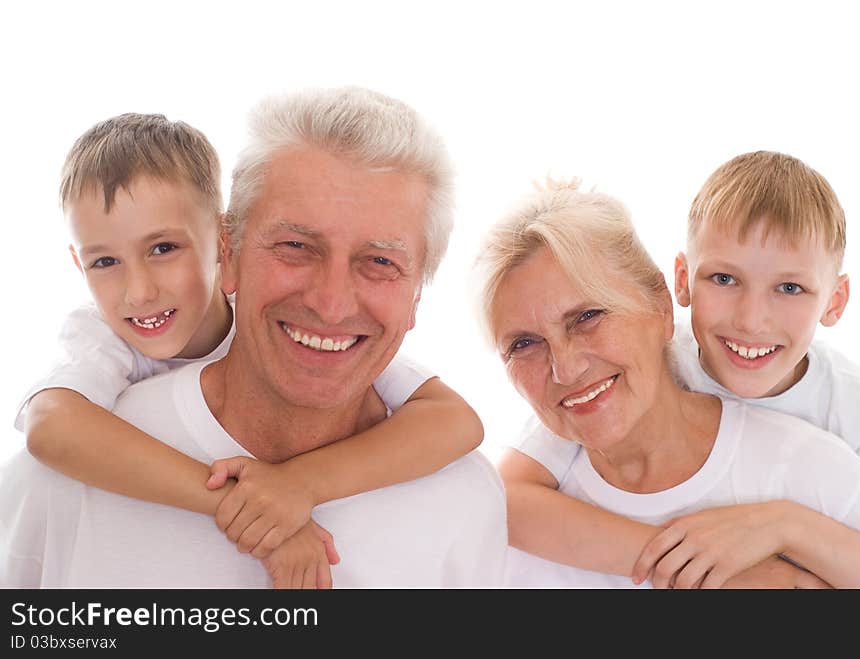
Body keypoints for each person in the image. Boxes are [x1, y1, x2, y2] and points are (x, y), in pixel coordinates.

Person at [0, 86, 508, 588]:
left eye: (380, 261)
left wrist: (298, 486)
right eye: (294, 245)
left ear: (417, 296)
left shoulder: (464, 499)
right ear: (231, 252)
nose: (331, 306)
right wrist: (246, 510)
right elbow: (52, 424)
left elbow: (455, 419)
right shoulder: (62, 476)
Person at [474, 178, 860, 588]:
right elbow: (502, 497)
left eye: (588, 316)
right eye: (524, 343)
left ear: (661, 305)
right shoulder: (533, 492)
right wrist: (703, 572)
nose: (566, 369)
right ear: (683, 284)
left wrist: (787, 525)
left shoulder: (831, 446)